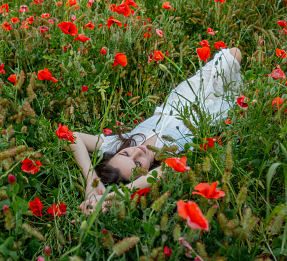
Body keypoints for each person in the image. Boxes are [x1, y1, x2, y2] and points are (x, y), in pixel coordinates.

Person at [70, 47, 243, 214]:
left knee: (230, 55)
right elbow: (170, 169)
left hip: (184, 96)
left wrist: (91, 180)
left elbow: (74, 137)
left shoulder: (118, 144)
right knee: (236, 69)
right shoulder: (165, 162)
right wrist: (122, 193)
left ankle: (235, 82)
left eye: (126, 154)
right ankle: (238, 86)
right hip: (210, 112)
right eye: (138, 165)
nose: (138, 152)